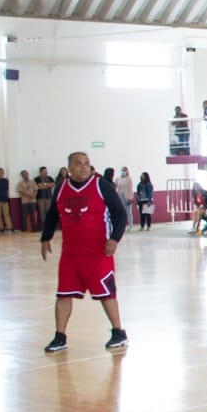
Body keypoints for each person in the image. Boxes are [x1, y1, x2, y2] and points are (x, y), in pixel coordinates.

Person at [40, 151, 129, 354]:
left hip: (98, 253)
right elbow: (52, 214)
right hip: (71, 255)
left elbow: (120, 214)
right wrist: (45, 238)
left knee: (107, 294)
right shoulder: (62, 188)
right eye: (78, 164)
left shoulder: (101, 185)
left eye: (87, 164)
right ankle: (60, 337)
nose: (83, 167)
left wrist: (115, 239)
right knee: (63, 294)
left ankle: (118, 332)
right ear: (69, 168)